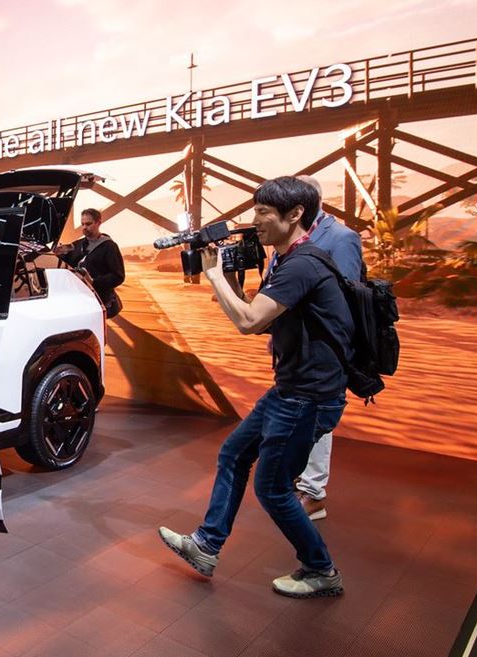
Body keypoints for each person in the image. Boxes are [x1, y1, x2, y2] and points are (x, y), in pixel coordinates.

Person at [158, 176, 354, 598]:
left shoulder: (303, 264)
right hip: (291, 389)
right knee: (233, 454)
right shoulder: (290, 259)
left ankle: (321, 570)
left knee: (272, 487)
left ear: (295, 214)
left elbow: (250, 321)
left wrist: (213, 276)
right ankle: (206, 546)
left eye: (264, 212)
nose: (255, 220)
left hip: (307, 396)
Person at [287, 175, 363, 521]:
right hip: (293, 349)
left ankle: (314, 493)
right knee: (298, 415)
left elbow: (345, 296)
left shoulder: (342, 237)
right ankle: (297, 479)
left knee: (318, 418)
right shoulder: (292, 238)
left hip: (324, 350)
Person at [54, 208, 125, 318]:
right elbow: (64, 264)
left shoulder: (109, 246)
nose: (84, 227)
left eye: (88, 224)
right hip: (78, 299)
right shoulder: (77, 244)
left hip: (99, 300)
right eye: (82, 224)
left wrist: (93, 281)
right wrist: (57, 254)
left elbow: (118, 276)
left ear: (98, 223)